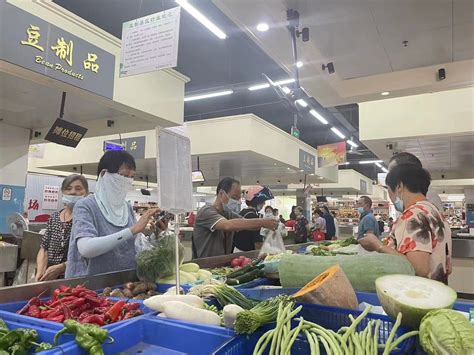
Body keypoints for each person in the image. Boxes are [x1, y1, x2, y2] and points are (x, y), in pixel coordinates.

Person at [65, 151, 163, 278]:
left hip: (125, 282)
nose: (127, 181)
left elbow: (136, 244)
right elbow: (86, 248)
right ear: (104, 174)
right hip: (91, 286)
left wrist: (157, 234)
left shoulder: (126, 207)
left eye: (131, 177)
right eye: (123, 175)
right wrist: (133, 229)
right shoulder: (86, 206)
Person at [359, 164, 452, 283]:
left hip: (417, 294)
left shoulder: (412, 215)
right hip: (438, 292)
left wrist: (378, 246)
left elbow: (419, 269)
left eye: (388, 189)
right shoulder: (434, 212)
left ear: (399, 186)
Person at [193, 178, 278, 258]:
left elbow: (247, 223)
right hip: (203, 266)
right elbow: (227, 225)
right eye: (234, 198)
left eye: (238, 199)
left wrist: (269, 225)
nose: (237, 202)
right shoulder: (206, 211)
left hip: (219, 264)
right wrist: (263, 222)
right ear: (222, 194)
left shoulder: (228, 214)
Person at [35, 175, 89, 281]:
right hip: (50, 277)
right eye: (68, 189)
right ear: (62, 192)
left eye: (78, 189)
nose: (73, 192)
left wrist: (61, 268)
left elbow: (88, 255)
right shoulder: (54, 217)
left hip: (75, 279)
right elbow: (44, 248)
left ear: (86, 193)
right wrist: (40, 272)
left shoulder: (87, 219)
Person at [233, 186, 274, 252]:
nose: (264, 204)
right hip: (246, 254)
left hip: (237, 251)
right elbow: (258, 243)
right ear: (257, 201)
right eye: (263, 201)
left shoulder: (242, 212)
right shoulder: (253, 216)